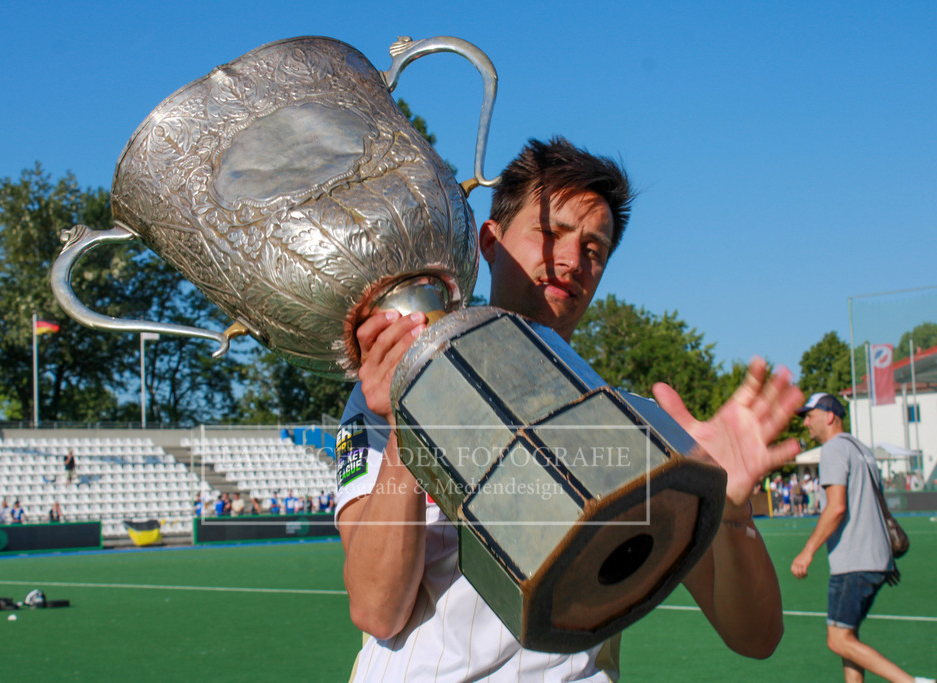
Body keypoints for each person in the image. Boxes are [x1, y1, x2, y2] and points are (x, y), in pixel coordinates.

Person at [337, 137, 805, 681]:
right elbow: (376, 609)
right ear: (491, 242)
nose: (571, 261)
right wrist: (407, 415)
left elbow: (755, 636)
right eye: (551, 232)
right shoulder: (383, 393)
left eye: (594, 248)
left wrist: (733, 512)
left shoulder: (628, 421)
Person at [791, 392, 933, 683]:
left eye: (810, 415)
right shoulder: (862, 449)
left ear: (829, 416)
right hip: (875, 558)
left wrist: (807, 551)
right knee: (848, 635)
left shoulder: (833, 450)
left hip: (853, 562)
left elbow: (837, 507)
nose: (806, 423)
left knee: (838, 639)